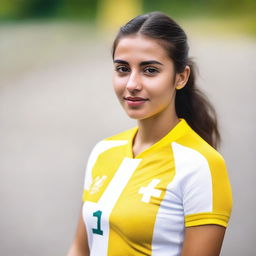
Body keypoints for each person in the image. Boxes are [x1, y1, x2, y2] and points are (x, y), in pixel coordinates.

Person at [67, 12, 232, 256]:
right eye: (122, 69)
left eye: (150, 70)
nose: (132, 83)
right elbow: (79, 249)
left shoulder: (201, 165)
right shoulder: (103, 151)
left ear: (180, 77)